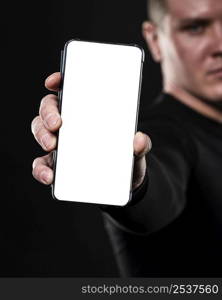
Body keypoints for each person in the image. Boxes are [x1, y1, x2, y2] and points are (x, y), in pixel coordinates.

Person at [31, 0, 222, 277]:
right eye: (195, 27)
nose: (219, 45)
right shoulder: (163, 134)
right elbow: (156, 196)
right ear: (154, 40)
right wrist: (133, 179)